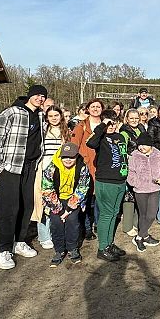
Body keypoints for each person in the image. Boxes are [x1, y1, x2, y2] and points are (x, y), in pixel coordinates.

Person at [0, 84, 47, 270]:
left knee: (26, 205)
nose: (40, 98)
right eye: (37, 95)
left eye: (43, 96)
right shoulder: (12, 112)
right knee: (8, 208)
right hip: (11, 167)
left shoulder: (39, 115)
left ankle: (20, 241)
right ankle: (3, 249)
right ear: (30, 95)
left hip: (30, 166)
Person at [86, 110, 129, 262]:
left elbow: (124, 157)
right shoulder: (100, 138)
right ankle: (102, 247)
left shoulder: (120, 137)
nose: (111, 125)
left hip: (120, 181)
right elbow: (90, 143)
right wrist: (102, 125)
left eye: (113, 122)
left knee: (114, 213)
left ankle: (109, 244)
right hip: (106, 182)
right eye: (108, 123)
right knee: (106, 214)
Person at [41, 141, 91, 266]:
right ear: (61, 156)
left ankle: (72, 248)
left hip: (73, 199)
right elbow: (47, 190)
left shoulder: (82, 167)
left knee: (73, 221)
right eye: (65, 157)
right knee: (56, 222)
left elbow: (82, 188)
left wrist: (68, 209)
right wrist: (60, 210)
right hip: (55, 199)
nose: (68, 160)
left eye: (72, 157)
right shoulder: (51, 168)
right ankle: (59, 250)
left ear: (76, 156)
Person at [32, 105, 71, 250]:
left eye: (56, 115)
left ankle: (57, 233)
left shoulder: (65, 131)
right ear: (47, 118)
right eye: (51, 116)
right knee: (43, 203)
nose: (54, 118)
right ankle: (44, 236)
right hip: (44, 169)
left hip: (60, 169)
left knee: (58, 202)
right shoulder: (43, 130)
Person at [126, 131, 160, 252]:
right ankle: (145, 236)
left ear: (150, 145)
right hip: (140, 190)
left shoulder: (159, 154)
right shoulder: (134, 155)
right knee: (143, 214)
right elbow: (131, 171)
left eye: (144, 145)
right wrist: (135, 182)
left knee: (151, 214)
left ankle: (139, 237)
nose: (141, 147)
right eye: (139, 145)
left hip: (154, 188)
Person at [70, 98, 104, 240]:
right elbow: (73, 146)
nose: (96, 109)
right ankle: (87, 228)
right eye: (93, 106)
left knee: (99, 198)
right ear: (88, 109)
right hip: (86, 166)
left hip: (102, 166)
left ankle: (98, 223)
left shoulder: (106, 124)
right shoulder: (81, 126)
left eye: (98, 106)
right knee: (87, 198)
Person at [119, 108, 145, 237]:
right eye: (132, 118)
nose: (134, 120)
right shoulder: (124, 133)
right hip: (130, 167)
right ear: (127, 119)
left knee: (138, 194)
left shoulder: (140, 129)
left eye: (136, 118)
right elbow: (122, 151)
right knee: (128, 196)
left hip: (141, 166)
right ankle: (127, 226)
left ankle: (136, 222)